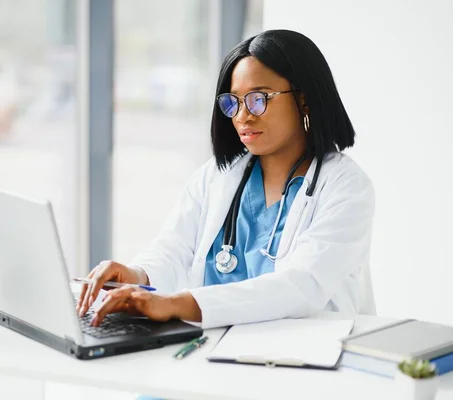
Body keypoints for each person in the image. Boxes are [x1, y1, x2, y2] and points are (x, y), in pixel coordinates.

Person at [77, 29, 376, 330]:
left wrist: (177, 304)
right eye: (233, 102)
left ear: (304, 100)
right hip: (211, 353)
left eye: (259, 99)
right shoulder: (216, 176)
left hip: (299, 357)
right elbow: (174, 248)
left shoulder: (346, 187)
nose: (243, 116)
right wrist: (137, 275)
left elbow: (301, 286)